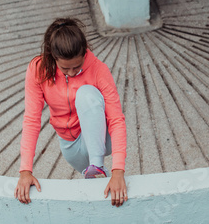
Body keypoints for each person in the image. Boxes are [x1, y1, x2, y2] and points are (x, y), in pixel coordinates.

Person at [14, 18, 128, 206]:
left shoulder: (99, 69)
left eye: (78, 66)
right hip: (70, 146)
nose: (73, 73)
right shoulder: (38, 69)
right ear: (52, 57)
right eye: (65, 68)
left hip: (100, 137)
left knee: (85, 94)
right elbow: (31, 120)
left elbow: (116, 120)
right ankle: (96, 171)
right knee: (97, 194)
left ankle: (97, 164)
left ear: (85, 52)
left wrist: (118, 171)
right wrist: (25, 171)